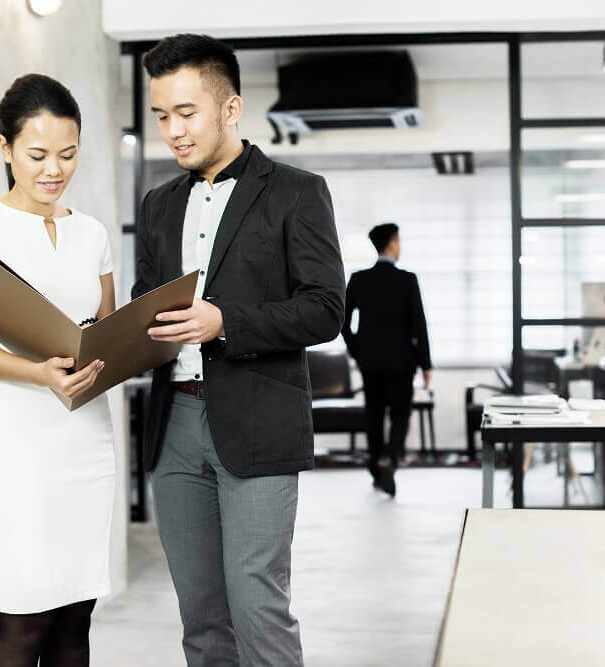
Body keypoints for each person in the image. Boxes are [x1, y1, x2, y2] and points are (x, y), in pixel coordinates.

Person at [132, 34, 344, 666]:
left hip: (258, 420)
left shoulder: (296, 192)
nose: (173, 130)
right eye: (162, 115)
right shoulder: (158, 204)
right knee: (200, 614)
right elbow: (150, 301)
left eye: (187, 112)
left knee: (257, 603)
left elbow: (326, 308)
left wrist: (225, 322)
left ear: (231, 109)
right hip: (175, 425)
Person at [0, 74, 115, 665]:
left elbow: (106, 332)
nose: (54, 169)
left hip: (87, 442)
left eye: (68, 155)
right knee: (25, 621)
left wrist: (112, 347)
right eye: (38, 155)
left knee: (76, 623)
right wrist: (39, 373)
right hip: (18, 448)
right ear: (4, 147)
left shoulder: (91, 234)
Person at [341, 223, 432, 497]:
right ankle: (389, 459)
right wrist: (426, 364)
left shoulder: (359, 280)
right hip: (403, 362)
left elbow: (342, 323)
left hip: (370, 362)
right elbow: (420, 325)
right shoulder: (407, 280)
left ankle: (376, 467)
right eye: (399, 241)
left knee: (375, 415)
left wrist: (358, 351)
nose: (400, 246)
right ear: (391, 243)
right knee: (400, 416)